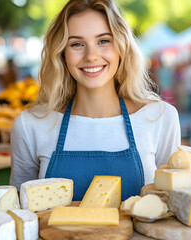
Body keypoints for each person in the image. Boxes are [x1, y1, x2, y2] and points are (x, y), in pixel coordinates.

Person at [10, 0, 181, 201]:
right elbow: (21, 211)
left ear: (121, 47)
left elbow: (171, 205)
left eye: (103, 41)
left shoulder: (160, 118)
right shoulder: (31, 125)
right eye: (76, 44)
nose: (91, 56)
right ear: (62, 54)